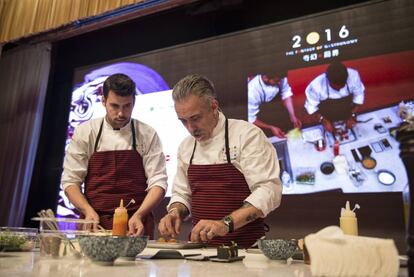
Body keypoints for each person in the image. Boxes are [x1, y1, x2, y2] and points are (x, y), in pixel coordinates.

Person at [158, 74, 282, 248]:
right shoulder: (186, 146)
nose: (190, 128)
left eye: (195, 118)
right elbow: (182, 193)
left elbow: (269, 191)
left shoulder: (247, 135)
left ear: (214, 106)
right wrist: (174, 212)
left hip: (246, 249)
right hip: (200, 250)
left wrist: (225, 224)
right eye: (183, 121)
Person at [62, 73, 167, 237]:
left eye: (127, 106)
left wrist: (139, 214)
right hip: (94, 223)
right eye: (114, 106)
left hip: (135, 224)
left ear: (134, 102)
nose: (121, 113)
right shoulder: (86, 132)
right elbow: (70, 182)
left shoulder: (147, 134)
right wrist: (87, 211)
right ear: (103, 101)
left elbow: (158, 182)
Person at [304, 61, 365, 134]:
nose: (338, 90)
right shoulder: (316, 85)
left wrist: (353, 115)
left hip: (347, 110)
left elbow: (359, 96)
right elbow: (311, 108)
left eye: (341, 86)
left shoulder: (354, 76)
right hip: (325, 114)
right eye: (335, 88)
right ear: (328, 79)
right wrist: (323, 120)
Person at [248, 71, 302, 138]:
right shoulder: (252, 92)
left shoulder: (280, 76)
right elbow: (251, 119)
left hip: (275, 107)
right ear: (265, 78)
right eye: (276, 81)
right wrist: (270, 127)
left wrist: (292, 116)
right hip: (259, 116)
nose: (279, 83)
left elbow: (286, 94)